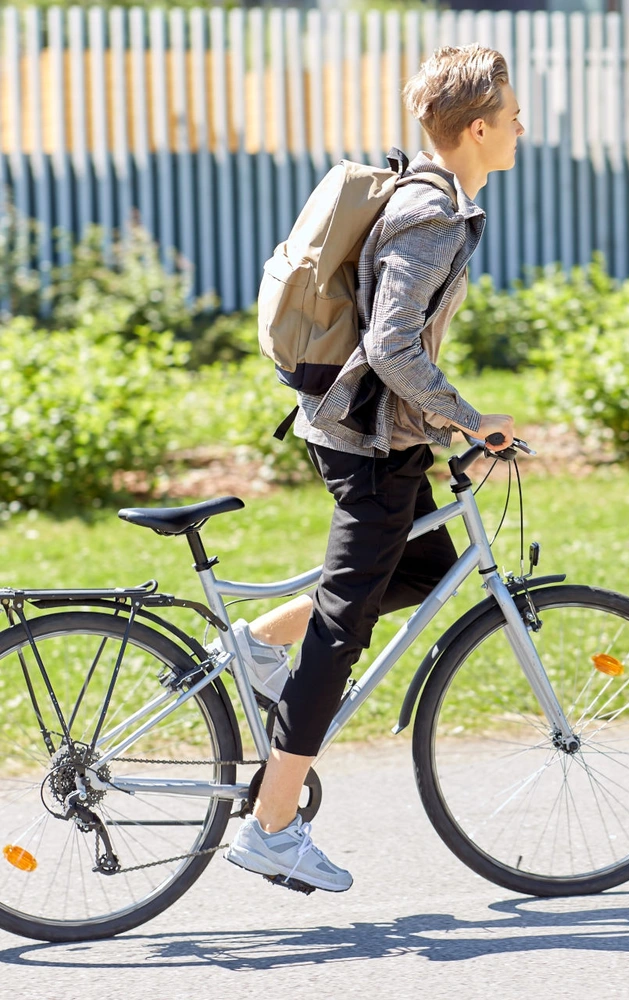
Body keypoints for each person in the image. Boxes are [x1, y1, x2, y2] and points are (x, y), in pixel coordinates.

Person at [220, 44, 525, 893]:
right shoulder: (431, 214)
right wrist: (470, 416)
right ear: (474, 129)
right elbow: (392, 345)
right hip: (368, 440)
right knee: (343, 631)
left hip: (374, 435)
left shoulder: (428, 196)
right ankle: (271, 826)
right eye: (510, 117)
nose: (520, 128)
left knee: (420, 567)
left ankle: (255, 645)